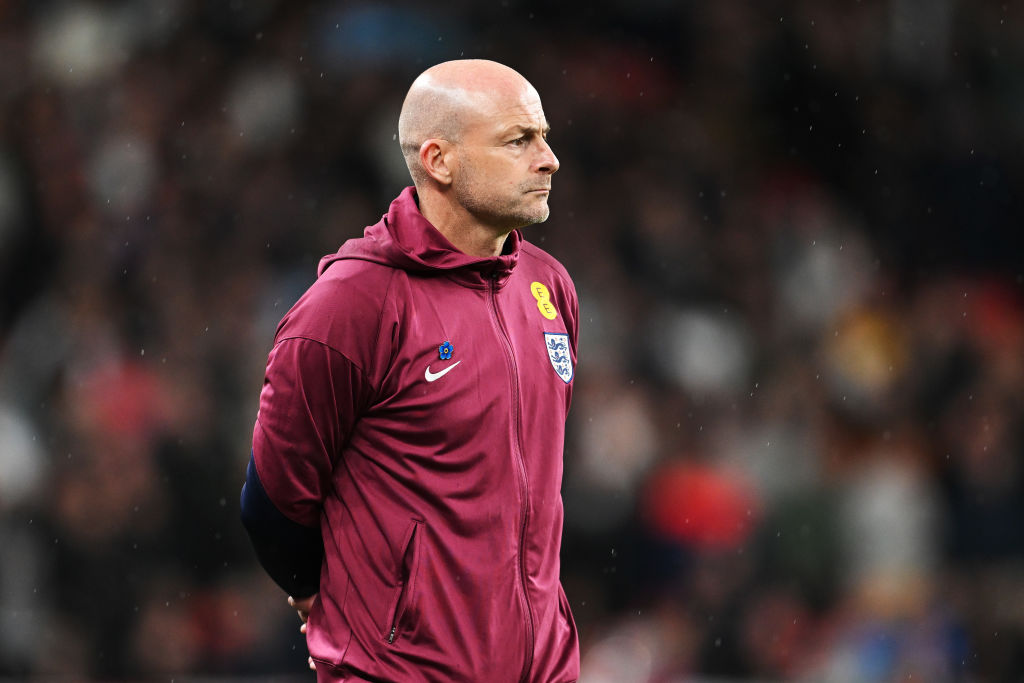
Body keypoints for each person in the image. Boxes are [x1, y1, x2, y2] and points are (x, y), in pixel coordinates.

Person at [240, 59, 580, 682]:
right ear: (438, 161)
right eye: (518, 140)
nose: (548, 158)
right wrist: (332, 597)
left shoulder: (549, 287)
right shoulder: (353, 303)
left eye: (544, 136)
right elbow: (273, 500)